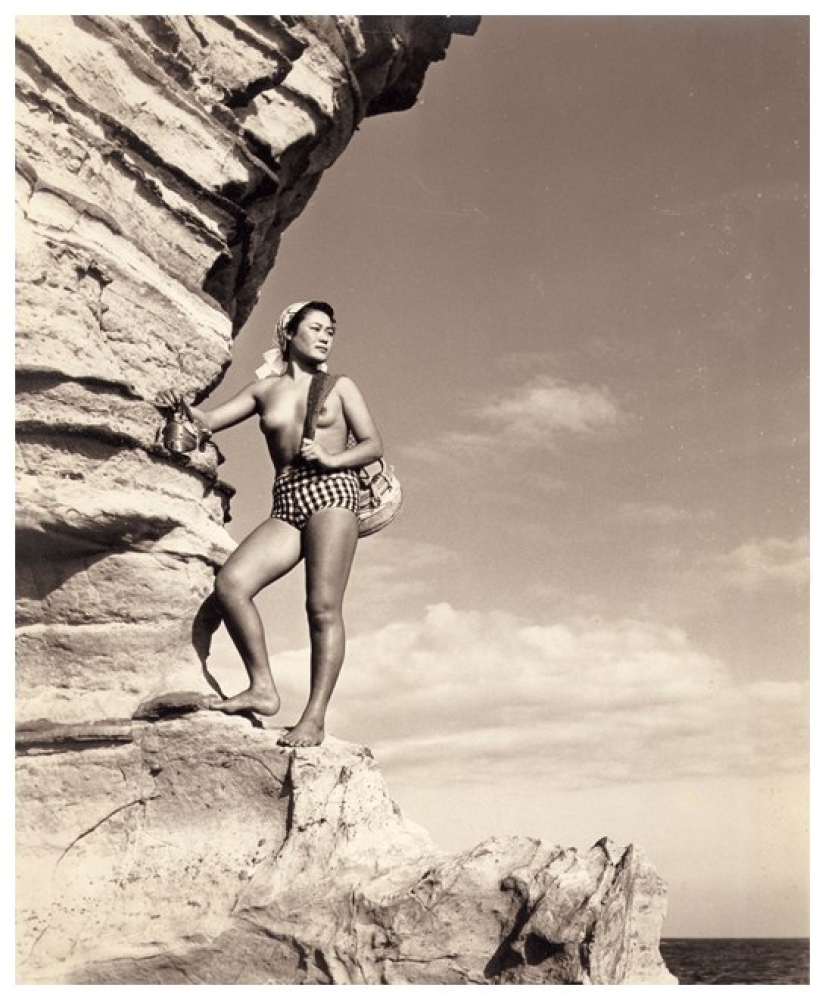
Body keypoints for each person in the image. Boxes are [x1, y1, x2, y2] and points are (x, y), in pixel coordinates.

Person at [156, 301, 383, 747]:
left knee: (321, 607)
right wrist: (181, 409)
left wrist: (335, 457)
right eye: (315, 328)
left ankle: (314, 718)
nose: (325, 336)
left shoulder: (339, 387)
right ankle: (262, 688)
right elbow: (208, 422)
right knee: (232, 586)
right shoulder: (265, 391)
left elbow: (374, 444)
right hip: (287, 499)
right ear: (289, 333)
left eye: (330, 331)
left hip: (333, 492)